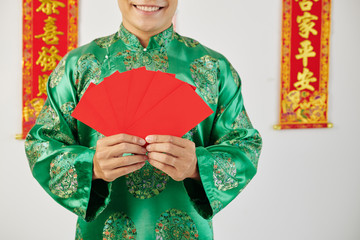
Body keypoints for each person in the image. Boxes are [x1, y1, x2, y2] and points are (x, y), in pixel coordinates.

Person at [25, 0, 262, 239]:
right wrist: (92, 166)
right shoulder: (78, 66)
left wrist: (197, 166)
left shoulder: (213, 68)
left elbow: (245, 146)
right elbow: (41, 146)